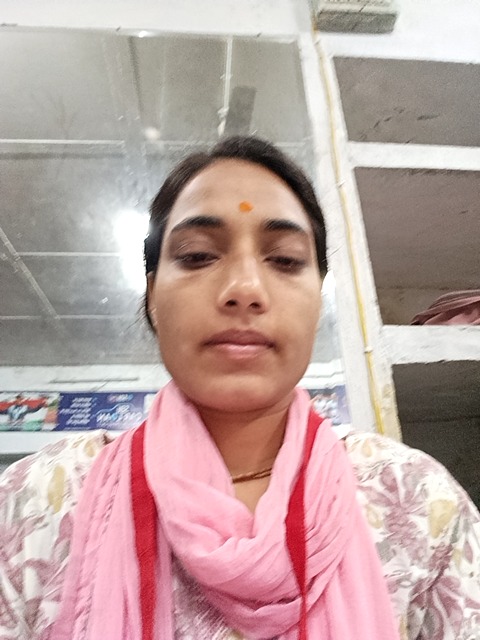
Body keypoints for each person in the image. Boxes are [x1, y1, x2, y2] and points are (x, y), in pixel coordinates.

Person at [1, 136, 479, 640]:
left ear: (318, 300)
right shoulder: (37, 503)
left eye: (286, 260)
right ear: (153, 296)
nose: (245, 289)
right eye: (198, 255)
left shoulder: (417, 500)